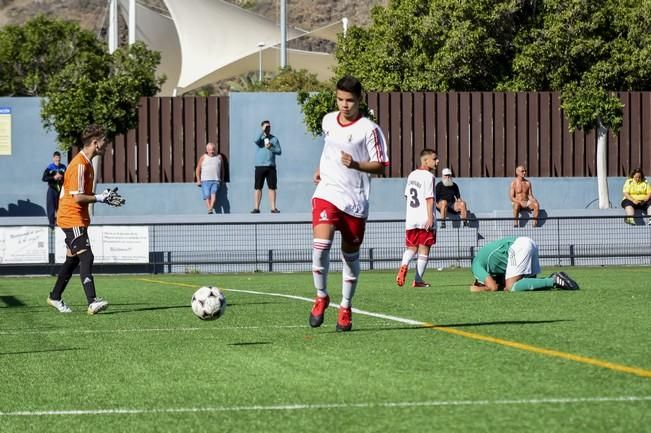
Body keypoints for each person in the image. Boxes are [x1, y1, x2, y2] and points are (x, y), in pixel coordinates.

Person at [308, 75, 389, 332]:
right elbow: (329, 149)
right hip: (328, 192)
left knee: (350, 257)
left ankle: (345, 306)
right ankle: (321, 297)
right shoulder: (328, 120)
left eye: (350, 101)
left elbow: (381, 167)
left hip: (355, 201)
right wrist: (320, 168)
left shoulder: (369, 129)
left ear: (360, 100)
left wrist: (355, 164)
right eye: (340, 99)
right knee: (321, 246)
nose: (344, 105)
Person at [47, 125, 125, 315]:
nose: (106, 147)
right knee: (87, 256)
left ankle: (55, 297)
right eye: (105, 143)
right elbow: (77, 198)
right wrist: (99, 197)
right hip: (71, 218)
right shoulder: (80, 164)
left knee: (72, 261)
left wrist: (102, 196)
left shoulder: (86, 163)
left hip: (76, 217)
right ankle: (92, 301)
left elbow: (83, 194)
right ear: (95, 143)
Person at [469, 236, 579, 292]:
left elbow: (492, 287)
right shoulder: (490, 265)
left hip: (517, 247)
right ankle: (554, 279)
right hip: (527, 243)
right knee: (527, 283)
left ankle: (554, 280)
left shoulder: (475, 266)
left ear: (478, 281)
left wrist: (477, 289)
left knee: (511, 287)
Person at [395, 149, 439, 288]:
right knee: (424, 249)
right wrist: (430, 218)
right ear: (426, 160)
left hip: (411, 218)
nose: (437, 161)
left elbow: (407, 196)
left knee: (411, 247)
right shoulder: (429, 176)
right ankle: (418, 280)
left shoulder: (411, 175)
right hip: (424, 218)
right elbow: (429, 198)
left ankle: (404, 265)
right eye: (434, 159)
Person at [251, 120, 282, 213]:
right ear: (262, 127)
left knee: (272, 187)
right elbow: (256, 140)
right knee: (258, 187)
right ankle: (256, 208)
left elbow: (279, 151)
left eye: (269, 126)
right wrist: (263, 131)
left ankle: (273, 208)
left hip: (271, 166)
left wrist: (271, 148)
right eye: (266, 127)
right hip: (259, 166)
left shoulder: (274, 139)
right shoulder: (259, 138)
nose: (268, 128)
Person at [195, 142, 224, 214]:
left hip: (216, 180)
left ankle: (210, 208)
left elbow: (222, 169)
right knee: (207, 195)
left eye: (213, 149)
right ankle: (209, 209)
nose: (212, 151)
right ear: (207, 150)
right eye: (210, 150)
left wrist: (222, 179)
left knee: (213, 194)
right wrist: (198, 180)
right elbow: (198, 169)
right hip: (205, 181)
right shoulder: (203, 157)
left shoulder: (219, 157)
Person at [42, 151, 67, 227]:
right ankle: (52, 223)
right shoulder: (49, 168)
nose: (57, 160)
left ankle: (61, 222)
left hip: (61, 190)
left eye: (59, 158)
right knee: (51, 207)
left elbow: (68, 178)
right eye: (56, 158)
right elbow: (44, 178)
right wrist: (54, 177)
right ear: (53, 159)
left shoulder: (63, 167)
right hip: (52, 189)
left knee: (61, 207)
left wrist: (62, 177)